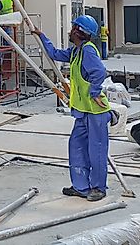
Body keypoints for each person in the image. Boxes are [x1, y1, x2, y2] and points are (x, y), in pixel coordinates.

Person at [33, 15, 111, 201]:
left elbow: (99, 72)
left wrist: (93, 92)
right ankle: (81, 186)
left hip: (96, 112)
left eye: (73, 28)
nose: (70, 31)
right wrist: (42, 36)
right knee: (76, 147)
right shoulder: (76, 51)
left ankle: (98, 188)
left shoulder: (88, 51)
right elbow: (55, 54)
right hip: (82, 112)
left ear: (79, 31)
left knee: (96, 150)